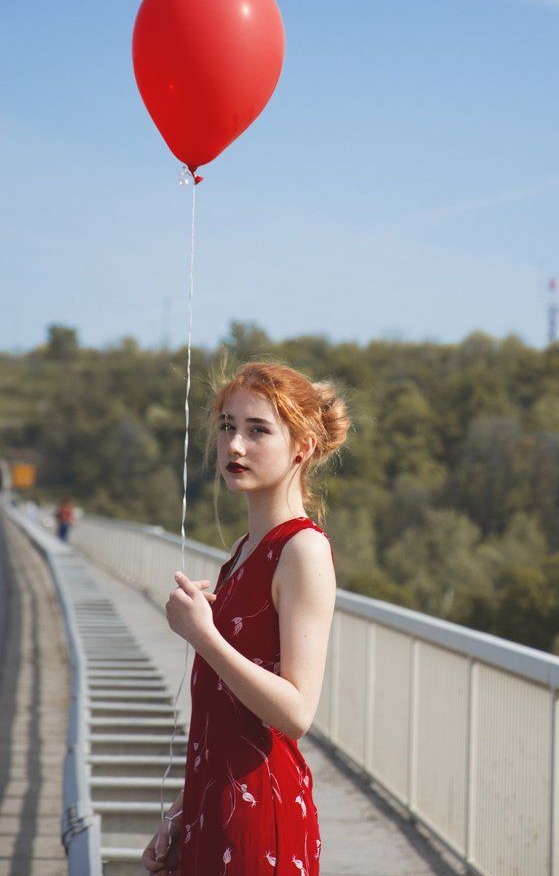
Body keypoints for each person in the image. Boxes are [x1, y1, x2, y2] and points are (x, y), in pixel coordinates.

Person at [142, 360, 350, 875]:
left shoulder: (303, 549)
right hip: (216, 809)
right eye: (227, 427)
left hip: (262, 819)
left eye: (258, 430)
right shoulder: (242, 549)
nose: (235, 445)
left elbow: (297, 713)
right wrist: (181, 814)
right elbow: (228, 722)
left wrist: (205, 636)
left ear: (301, 446)